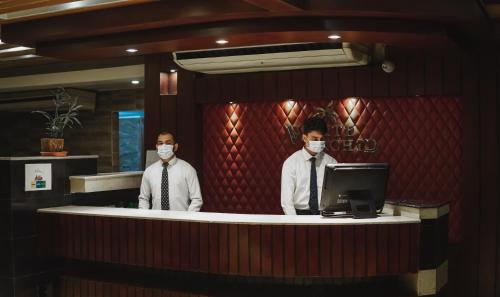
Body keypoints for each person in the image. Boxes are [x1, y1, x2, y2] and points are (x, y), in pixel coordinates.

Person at [281, 116, 337, 215]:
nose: (319, 142)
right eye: (315, 139)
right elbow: (286, 201)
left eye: (321, 139)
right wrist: (295, 223)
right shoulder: (291, 163)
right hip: (299, 215)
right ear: (304, 138)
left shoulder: (331, 163)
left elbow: (336, 196)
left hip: (325, 215)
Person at [138, 131, 203, 211]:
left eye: (168, 143)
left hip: (181, 220)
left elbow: (197, 200)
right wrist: (145, 217)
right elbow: (143, 198)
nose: (164, 146)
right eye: (160, 143)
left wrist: (187, 219)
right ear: (157, 147)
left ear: (175, 147)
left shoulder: (188, 169)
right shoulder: (149, 171)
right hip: (156, 220)